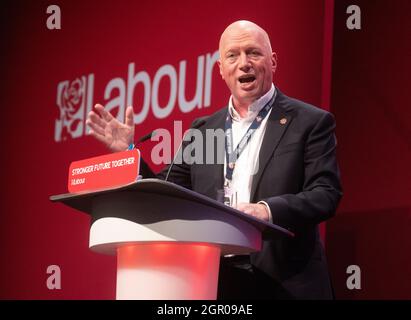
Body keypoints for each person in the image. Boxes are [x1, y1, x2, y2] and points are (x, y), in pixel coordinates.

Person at [86, 20, 342, 299]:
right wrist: (128, 152)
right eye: (233, 55)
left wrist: (266, 211)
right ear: (221, 69)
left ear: (273, 61)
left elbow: (325, 194)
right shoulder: (203, 130)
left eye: (253, 52)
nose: (244, 63)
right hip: (216, 281)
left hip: (287, 282)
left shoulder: (309, 121)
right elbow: (164, 191)